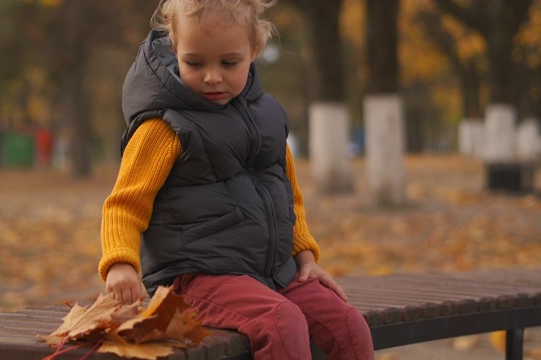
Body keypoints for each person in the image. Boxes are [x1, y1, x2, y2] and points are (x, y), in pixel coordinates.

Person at [98, 0, 375, 358]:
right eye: (194, 63)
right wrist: (120, 263)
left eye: (229, 63)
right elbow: (124, 204)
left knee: (347, 325)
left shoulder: (267, 119)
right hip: (198, 279)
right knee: (280, 321)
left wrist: (304, 254)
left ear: (254, 50)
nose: (212, 76)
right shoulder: (164, 126)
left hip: (273, 272)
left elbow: (288, 194)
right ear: (175, 50)